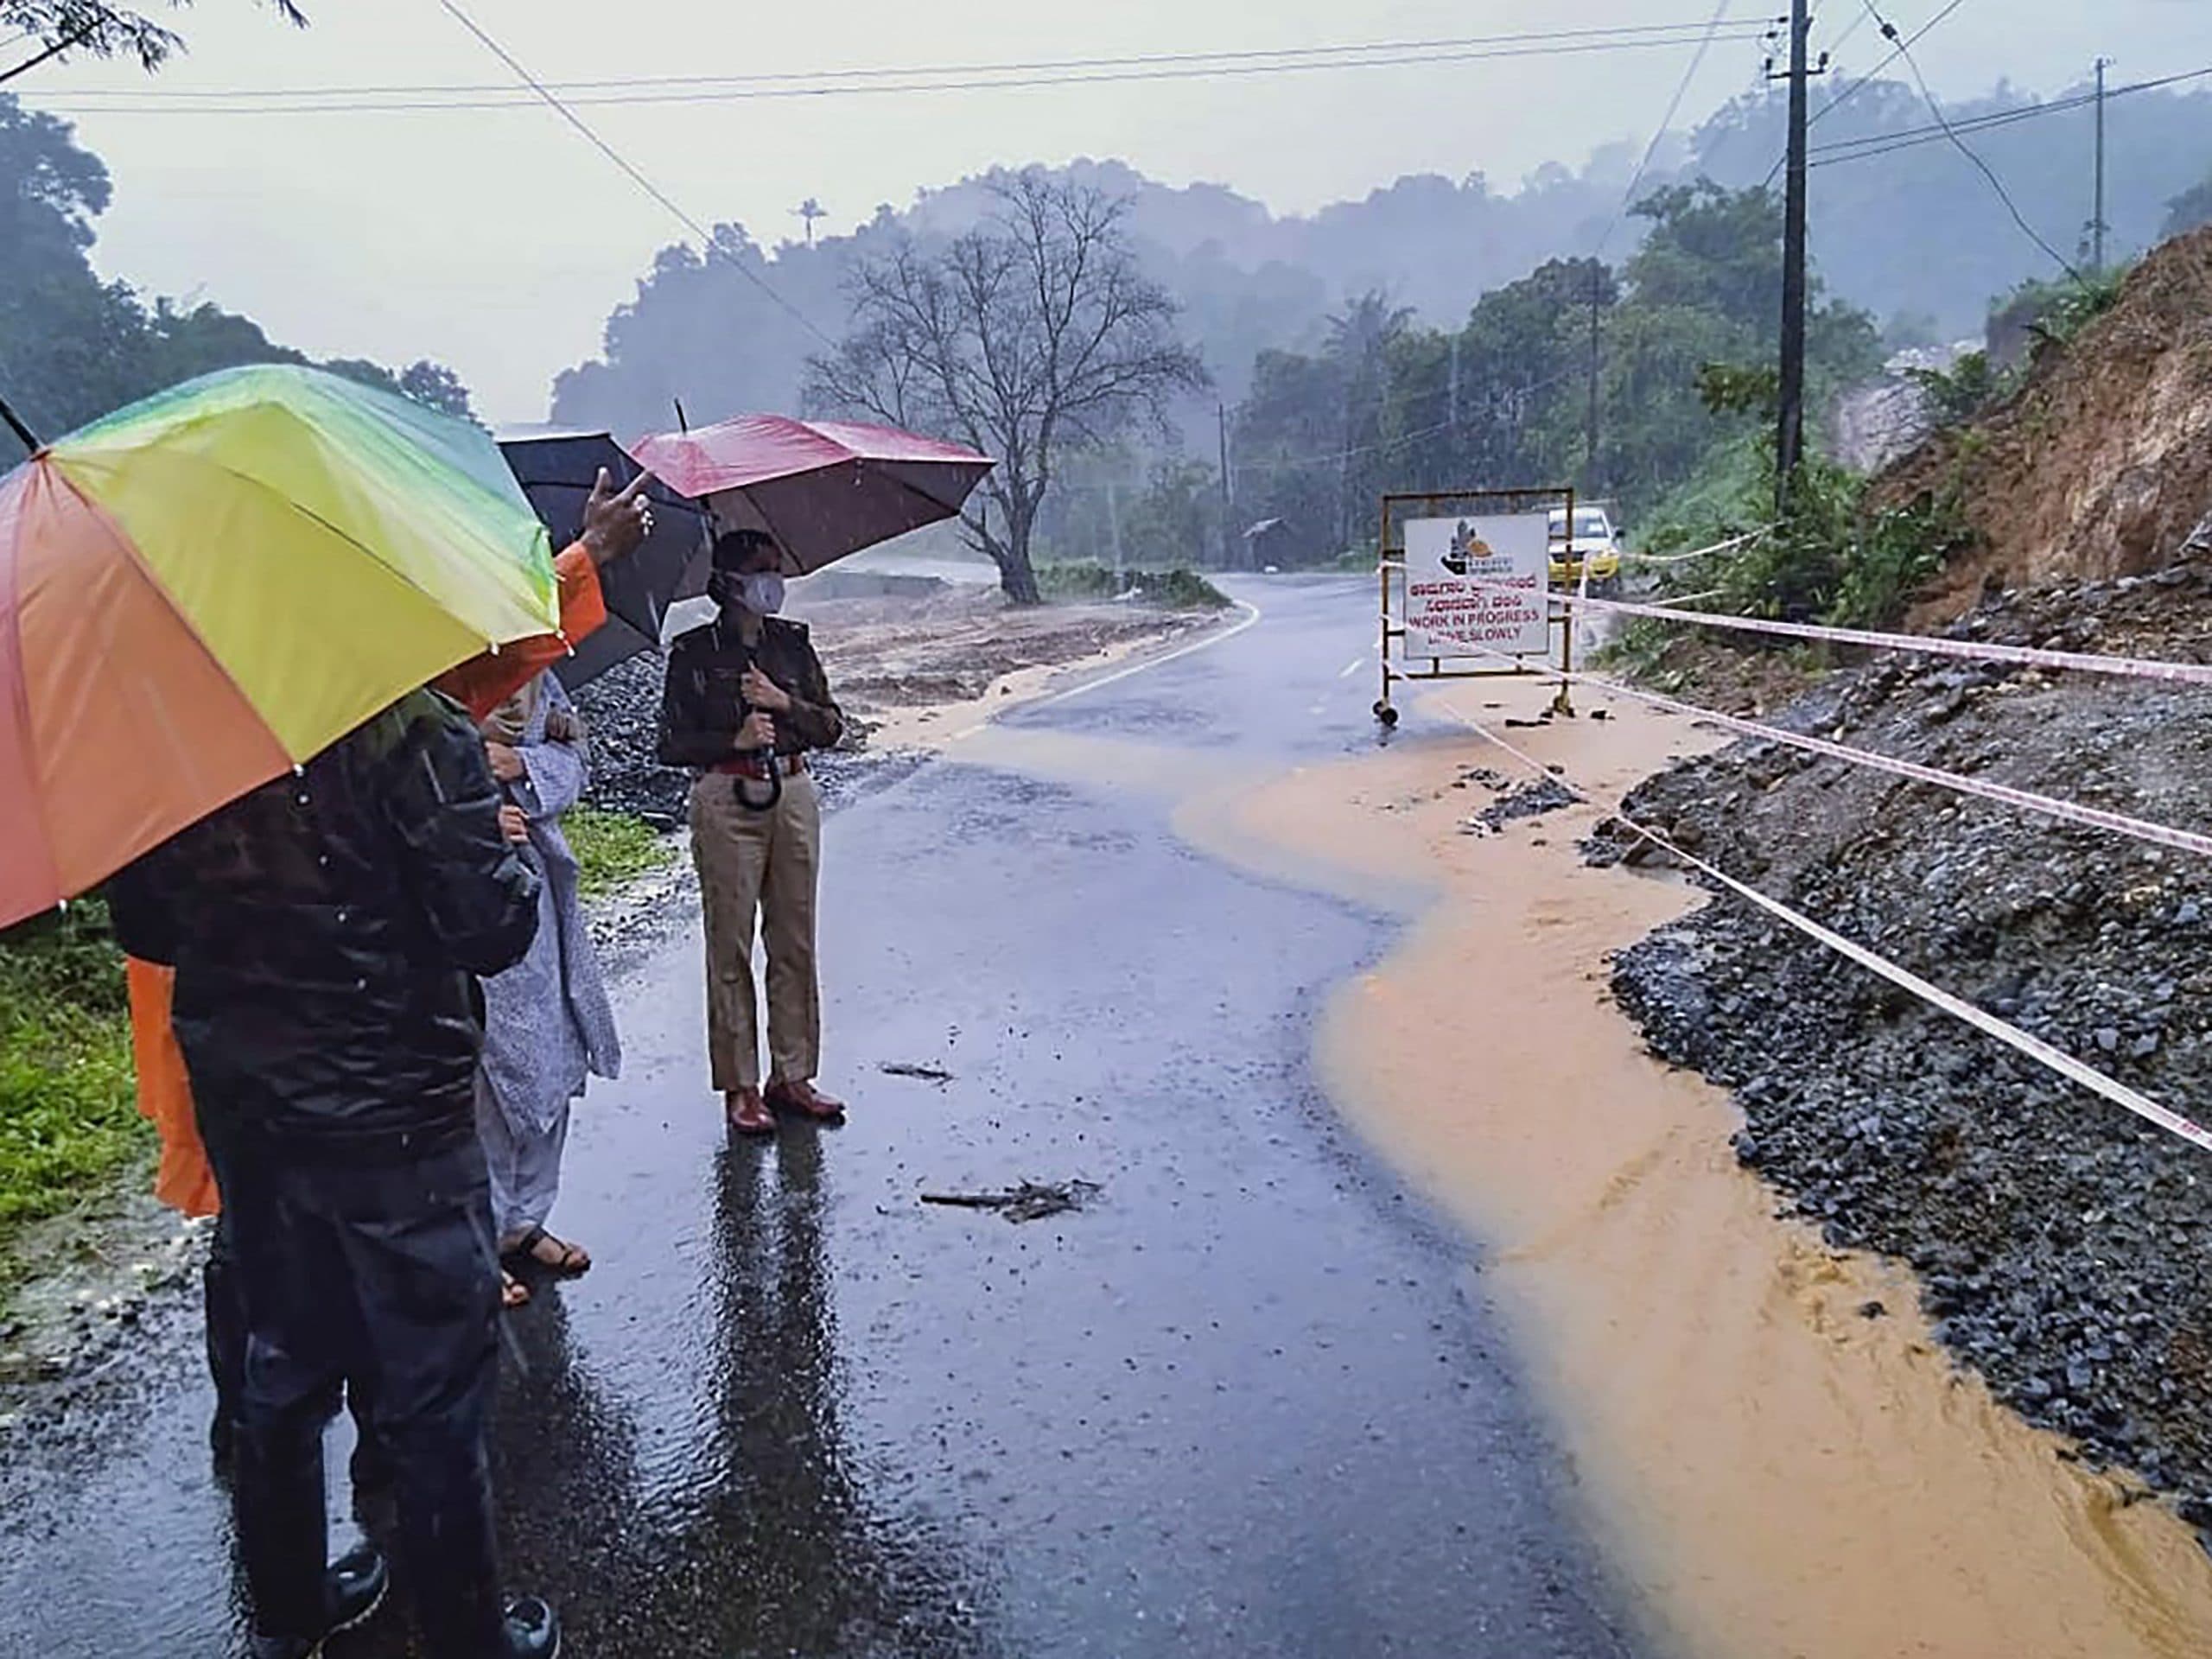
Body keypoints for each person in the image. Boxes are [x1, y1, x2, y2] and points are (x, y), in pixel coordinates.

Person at [109, 470, 652, 1659]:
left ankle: (290, 1621)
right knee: (433, 1388)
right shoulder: (410, 729)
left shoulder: (179, 742)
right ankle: (464, 1633)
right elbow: (489, 924)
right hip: (403, 1123)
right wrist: (499, 853)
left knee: (281, 1378)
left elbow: (147, 928)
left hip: (257, 1122)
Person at [658, 529, 848, 1135]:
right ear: (729, 582)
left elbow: (831, 726)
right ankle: (740, 1085)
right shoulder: (693, 653)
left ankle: (792, 1074)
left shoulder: (793, 645)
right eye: (760, 570)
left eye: (777, 568)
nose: (773, 581)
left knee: (794, 939)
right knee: (731, 944)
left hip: (792, 792)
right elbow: (670, 744)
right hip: (725, 798)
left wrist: (782, 702)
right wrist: (732, 741)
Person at [476, 671, 620, 1309]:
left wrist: (523, 763)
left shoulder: (544, 675)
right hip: (473, 908)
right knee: (489, 1081)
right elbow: (401, 795)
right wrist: (479, 820)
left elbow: (572, 761)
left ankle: (523, 1221)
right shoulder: (429, 683)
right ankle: (476, 1243)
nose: (510, 699)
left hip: (540, 904)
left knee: (550, 1064)